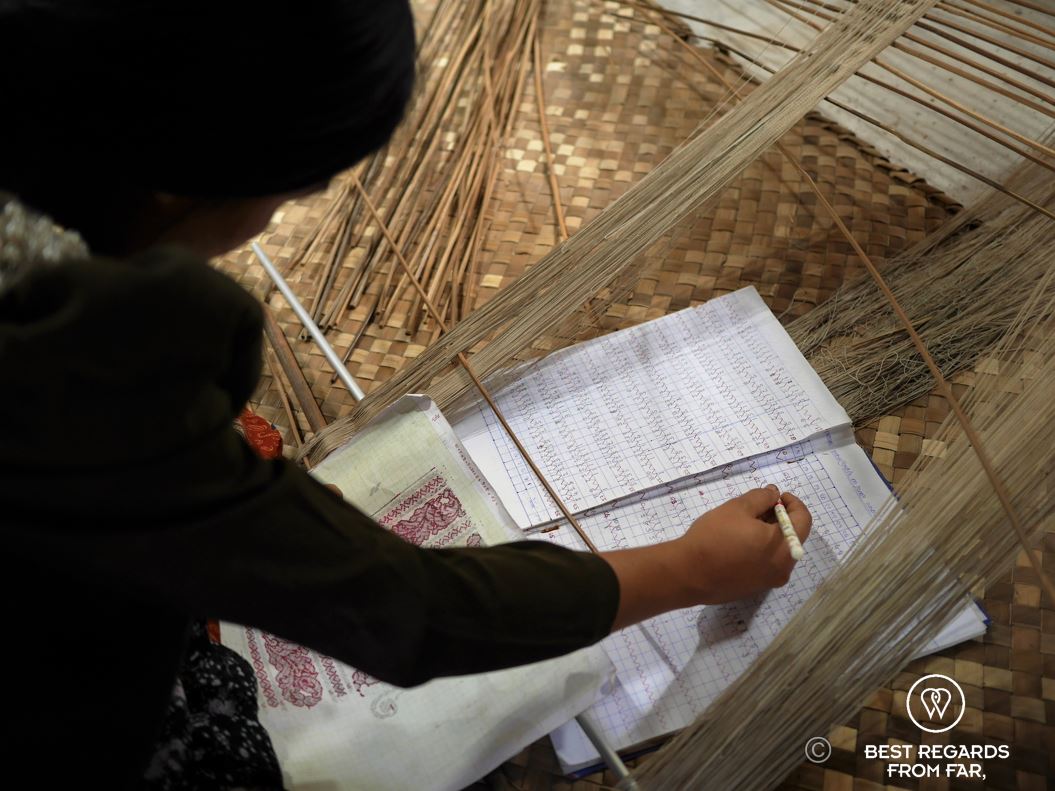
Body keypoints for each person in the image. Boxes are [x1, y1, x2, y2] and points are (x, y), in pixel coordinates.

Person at [0, 1, 812, 786]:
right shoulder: (89, 373)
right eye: (289, 189)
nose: (277, 215)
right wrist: (687, 569)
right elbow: (405, 609)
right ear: (174, 177)